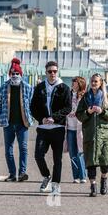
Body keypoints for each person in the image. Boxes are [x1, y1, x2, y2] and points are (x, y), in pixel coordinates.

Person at [31, 61, 71, 194]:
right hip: (43, 128)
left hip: (58, 127)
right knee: (38, 155)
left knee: (57, 159)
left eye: (54, 71)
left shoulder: (64, 88)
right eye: (50, 71)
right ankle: (46, 176)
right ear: (46, 72)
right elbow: (33, 107)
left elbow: (68, 107)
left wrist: (54, 117)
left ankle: (55, 183)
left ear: (57, 72)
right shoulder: (40, 87)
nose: (52, 74)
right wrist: (41, 118)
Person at [76, 73, 108, 197]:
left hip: (103, 134)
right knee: (90, 162)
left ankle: (103, 179)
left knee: (104, 162)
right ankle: (93, 186)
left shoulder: (107, 97)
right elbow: (79, 115)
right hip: (90, 134)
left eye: (96, 82)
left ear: (100, 83)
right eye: (92, 81)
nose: (93, 83)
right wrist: (87, 112)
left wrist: (102, 111)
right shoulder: (85, 98)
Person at [0, 59, 34, 182]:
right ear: (9, 74)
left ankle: (22, 173)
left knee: (23, 148)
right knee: (8, 150)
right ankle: (12, 173)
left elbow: (33, 104)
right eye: (13, 73)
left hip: (23, 123)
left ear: (21, 74)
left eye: (17, 73)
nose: (15, 76)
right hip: (8, 123)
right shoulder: (4, 87)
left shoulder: (27, 87)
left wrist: (31, 116)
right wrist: (0, 115)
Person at [65, 77, 87, 184]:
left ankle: (83, 175)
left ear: (80, 84)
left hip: (80, 128)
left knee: (80, 152)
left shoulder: (84, 96)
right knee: (72, 153)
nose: (73, 83)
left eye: (75, 82)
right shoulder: (67, 95)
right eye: (72, 81)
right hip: (69, 128)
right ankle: (75, 176)